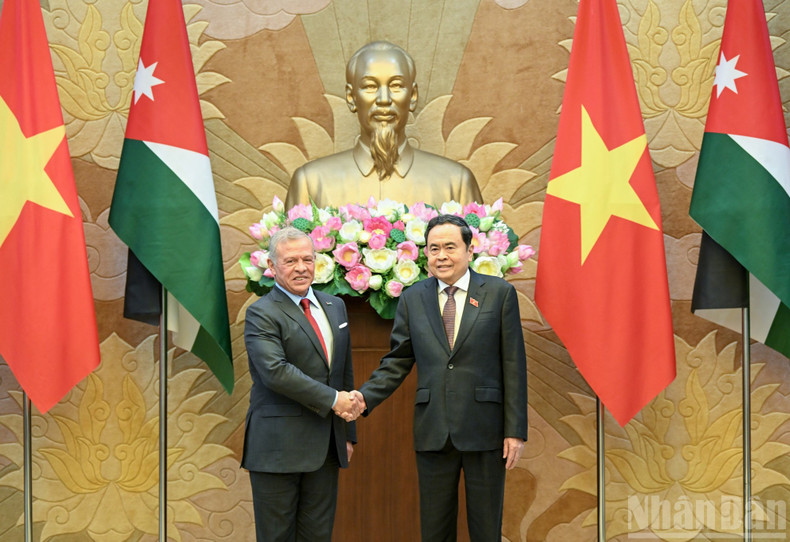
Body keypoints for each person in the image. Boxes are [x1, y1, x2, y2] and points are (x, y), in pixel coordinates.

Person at [354, 214, 528, 542]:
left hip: (486, 429)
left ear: (469, 250)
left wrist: (515, 431)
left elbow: (514, 365)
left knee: (486, 528)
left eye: (450, 247)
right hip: (433, 428)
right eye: (433, 249)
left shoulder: (498, 293)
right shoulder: (413, 298)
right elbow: (398, 361)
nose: (441, 256)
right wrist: (364, 397)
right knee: (434, 530)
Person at [242, 227, 362, 542]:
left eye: (307, 259)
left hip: (326, 447)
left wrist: (346, 433)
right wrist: (334, 400)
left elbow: (342, 371)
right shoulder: (261, 313)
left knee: (318, 536)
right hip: (277, 448)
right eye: (290, 261)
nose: (301, 268)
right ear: (271, 266)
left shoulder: (335, 306)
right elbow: (275, 371)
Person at [285, 41, 483, 209]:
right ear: (351, 97)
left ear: (412, 96)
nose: (384, 99)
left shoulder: (456, 183)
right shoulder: (310, 183)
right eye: (370, 86)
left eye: (396, 85)